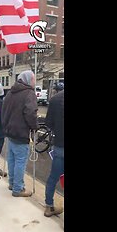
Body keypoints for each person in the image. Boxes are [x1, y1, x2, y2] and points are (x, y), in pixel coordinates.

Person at [1, 70, 38, 197]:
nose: (34, 82)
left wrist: (5, 126)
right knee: (20, 161)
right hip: (21, 133)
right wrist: (34, 127)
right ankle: (18, 188)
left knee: (11, 160)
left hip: (10, 132)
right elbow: (31, 113)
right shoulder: (29, 93)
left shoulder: (10, 92)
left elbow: (4, 111)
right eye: (33, 79)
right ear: (28, 79)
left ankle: (12, 183)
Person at [43, 88, 64, 217]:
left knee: (53, 177)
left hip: (59, 145)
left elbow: (48, 123)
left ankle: (49, 206)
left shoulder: (55, 99)